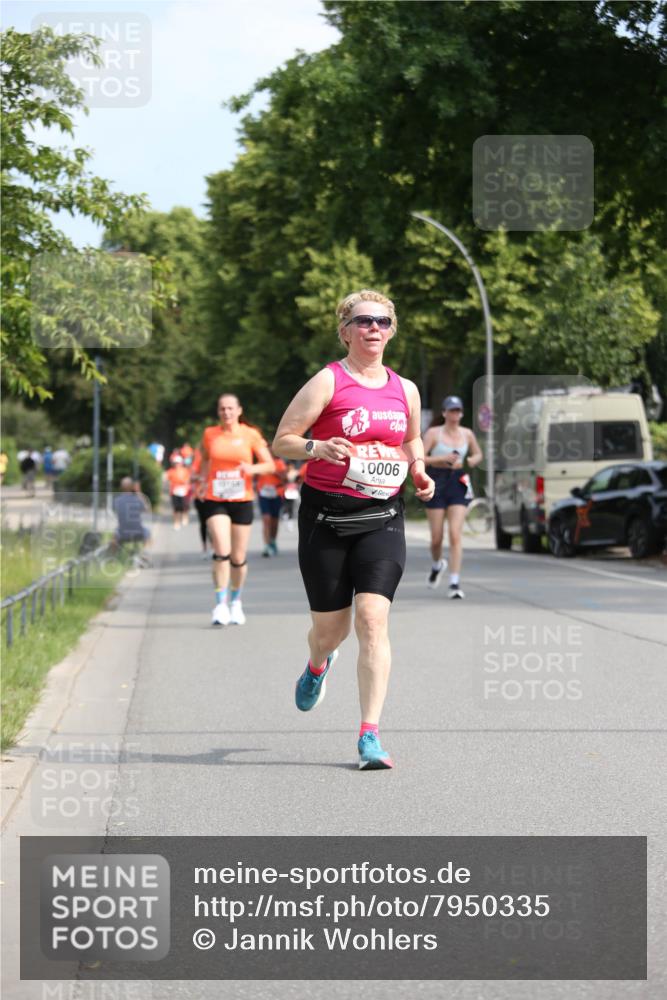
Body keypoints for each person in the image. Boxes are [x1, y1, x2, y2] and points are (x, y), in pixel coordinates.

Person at [273, 289, 434, 770]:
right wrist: (316, 448)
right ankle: (317, 665)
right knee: (330, 632)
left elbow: (411, 439)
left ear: (392, 331)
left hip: (382, 518)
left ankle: (369, 736)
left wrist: (419, 468)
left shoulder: (405, 389)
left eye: (382, 321)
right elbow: (282, 440)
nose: (374, 329)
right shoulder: (328, 381)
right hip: (326, 520)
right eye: (364, 321)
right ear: (345, 331)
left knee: (372, 620)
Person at [199, 394, 275, 626]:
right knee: (222, 551)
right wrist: (202, 481)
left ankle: (235, 602)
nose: (226, 412)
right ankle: (220, 605)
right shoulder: (210, 434)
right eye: (222, 409)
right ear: (218, 411)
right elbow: (205, 459)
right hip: (216, 498)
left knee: (238, 558)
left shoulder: (250, 434)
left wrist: (251, 469)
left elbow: (270, 465)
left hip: (242, 499)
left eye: (230, 408)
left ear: (239, 410)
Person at [422, 395, 483, 599]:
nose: (455, 414)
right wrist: (442, 458)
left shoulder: (467, 433)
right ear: (444, 413)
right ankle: (437, 564)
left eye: (458, 410)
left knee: (455, 534)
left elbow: (478, 454)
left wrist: (471, 460)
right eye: (451, 410)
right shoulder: (434, 433)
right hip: (437, 480)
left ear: (462, 413)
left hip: (458, 481)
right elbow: (420, 457)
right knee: (436, 538)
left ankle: (454, 582)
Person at [112, 477, 151, 564]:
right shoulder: (137, 499)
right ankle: (144, 553)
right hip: (138, 532)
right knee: (148, 532)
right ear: (132, 487)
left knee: (114, 535)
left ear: (121, 487)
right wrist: (139, 492)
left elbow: (115, 511)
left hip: (122, 533)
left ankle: (113, 559)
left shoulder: (117, 500)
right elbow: (147, 509)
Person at [257, 450, 287, 556]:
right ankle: (266, 545)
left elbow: (285, 478)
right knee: (266, 519)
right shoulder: (261, 463)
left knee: (274, 520)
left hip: (276, 494)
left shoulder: (279, 463)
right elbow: (254, 475)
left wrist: (274, 471)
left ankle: (273, 540)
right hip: (263, 494)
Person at [190, 447, 210, 558]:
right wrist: (201, 478)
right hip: (200, 496)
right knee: (204, 523)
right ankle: (204, 547)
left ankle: (215, 547)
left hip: (214, 496)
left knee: (214, 523)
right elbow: (191, 478)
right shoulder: (198, 461)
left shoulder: (216, 460)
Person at [165, 454, 191, 530]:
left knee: (184, 506)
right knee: (176, 508)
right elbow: (167, 479)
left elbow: (188, 479)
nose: (177, 464)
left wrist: (186, 486)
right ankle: (176, 522)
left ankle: (185, 517)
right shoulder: (171, 471)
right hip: (174, 491)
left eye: (178, 463)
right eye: (175, 463)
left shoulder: (185, 470)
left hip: (183, 490)